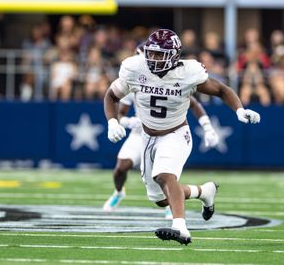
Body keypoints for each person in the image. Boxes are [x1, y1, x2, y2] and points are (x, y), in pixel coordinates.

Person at [104, 29, 260, 245]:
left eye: (160, 54)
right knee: (159, 198)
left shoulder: (188, 72)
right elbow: (111, 96)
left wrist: (239, 110)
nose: (153, 58)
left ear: (175, 55)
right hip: (147, 137)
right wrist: (112, 122)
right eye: (151, 53)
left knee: (164, 175)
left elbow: (221, 90)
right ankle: (204, 192)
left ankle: (180, 227)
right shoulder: (135, 68)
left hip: (176, 133)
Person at [103, 93, 220, 220]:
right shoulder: (135, 79)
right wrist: (128, 121)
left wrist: (208, 128)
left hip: (168, 136)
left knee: (165, 175)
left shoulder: (171, 82)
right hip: (140, 134)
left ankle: (174, 212)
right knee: (121, 168)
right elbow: (119, 111)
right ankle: (118, 193)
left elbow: (194, 103)